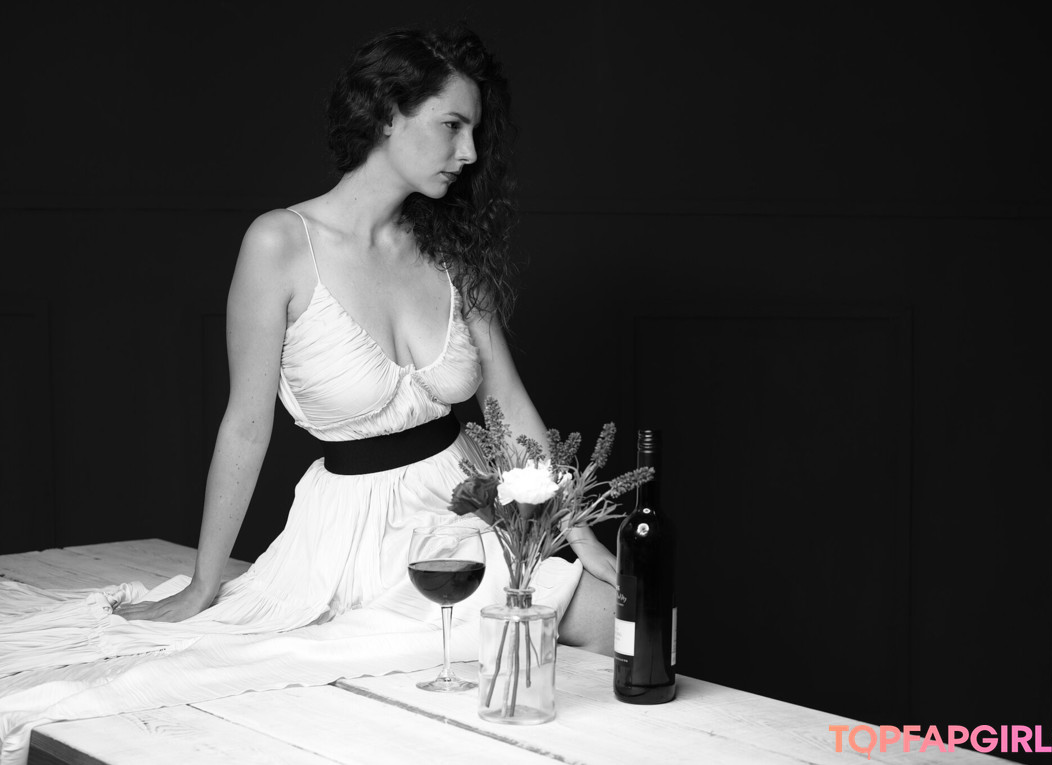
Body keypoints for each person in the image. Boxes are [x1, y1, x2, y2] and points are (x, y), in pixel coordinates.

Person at [0, 25, 614, 689]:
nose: (468, 152)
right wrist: (205, 582)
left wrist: (577, 533)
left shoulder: (453, 252)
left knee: (616, 621)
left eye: (475, 132)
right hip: (348, 536)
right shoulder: (280, 244)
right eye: (452, 126)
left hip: (469, 513)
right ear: (388, 114)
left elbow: (508, 405)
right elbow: (245, 426)